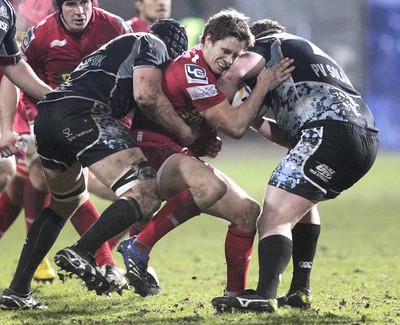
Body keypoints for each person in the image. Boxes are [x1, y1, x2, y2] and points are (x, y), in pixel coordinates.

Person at [0, 18, 195, 310]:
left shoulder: (113, 48)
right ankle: (83, 251)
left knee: (66, 202)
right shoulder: (153, 44)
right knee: (146, 191)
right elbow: (146, 95)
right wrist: (186, 134)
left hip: (50, 116)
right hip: (85, 113)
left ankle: (18, 290)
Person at [115, 9, 294, 299]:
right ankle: (137, 247)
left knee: (247, 212)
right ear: (207, 40)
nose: (230, 61)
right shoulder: (193, 69)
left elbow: (227, 119)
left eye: (237, 56)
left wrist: (200, 143)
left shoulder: (214, 74)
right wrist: (263, 86)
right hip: (150, 151)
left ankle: (233, 295)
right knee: (210, 186)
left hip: (176, 153)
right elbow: (236, 126)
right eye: (225, 51)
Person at [211, 18, 379, 313]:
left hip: (328, 132)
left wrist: (215, 111)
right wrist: (251, 115)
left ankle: (264, 294)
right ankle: (300, 289)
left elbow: (233, 75)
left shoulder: (269, 44)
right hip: (364, 139)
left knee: (273, 216)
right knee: (300, 201)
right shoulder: (308, 55)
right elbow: (291, 138)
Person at [0, 0, 133, 284]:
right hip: (52, 117)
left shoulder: (114, 28)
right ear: (58, 8)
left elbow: (135, 73)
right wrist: (19, 123)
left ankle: (110, 260)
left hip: (97, 120)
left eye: (84, 3)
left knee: (32, 179)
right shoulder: (40, 33)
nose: (79, 11)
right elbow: (13, 72)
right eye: (70, 4)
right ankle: (105, 261)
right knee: (44, 179)